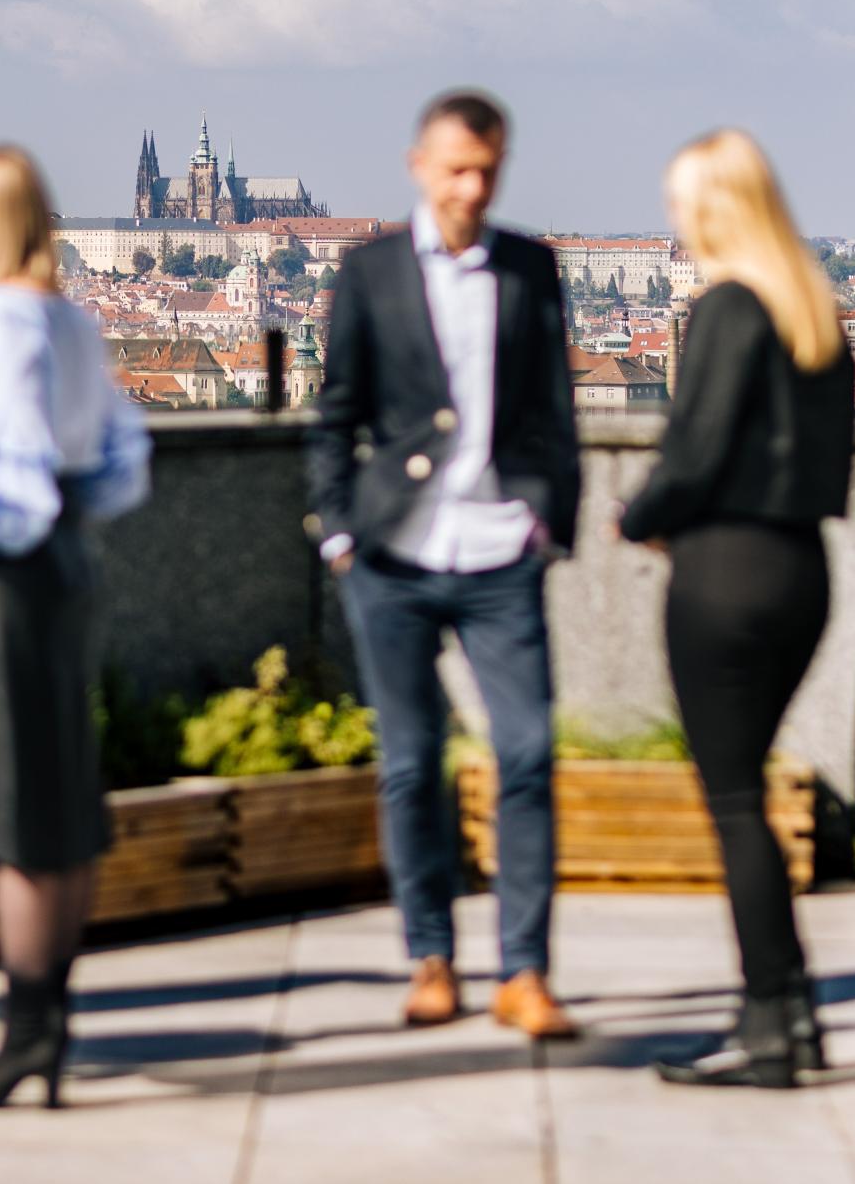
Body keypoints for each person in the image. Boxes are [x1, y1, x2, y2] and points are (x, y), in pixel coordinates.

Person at [304, 90, 583, 1039]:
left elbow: (554, 411)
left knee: (527, 753)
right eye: (458, 169)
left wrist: (550, 525)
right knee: (410, 762)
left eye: (488, 171)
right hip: (396, 551)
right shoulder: (371, 270)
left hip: (503, 549)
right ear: (419, 165)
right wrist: (341, 535)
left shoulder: (531, 267)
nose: (473, 188)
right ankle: (431, 958)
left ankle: (525, 971)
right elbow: (335, 412)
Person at [0, 145, 151, 1109]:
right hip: (64, 569)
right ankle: (47, 1027)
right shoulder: (70, 319)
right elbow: (124, 456)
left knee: (17, 813)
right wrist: (70, 510)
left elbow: (12, 466)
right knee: (59, 801)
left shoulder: (1, 322)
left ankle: (23, 1036)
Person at [616, 129, 854, 1091]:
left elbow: (695, 449)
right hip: (802, 569)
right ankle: (792, 1016)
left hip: (724, 572)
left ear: (712, 210)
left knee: (735, 805)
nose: (676, 223)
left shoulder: (728, 307)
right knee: (746, 793)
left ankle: (768, 1024)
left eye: (682, 205)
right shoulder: (814, 311)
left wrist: (636, 516)